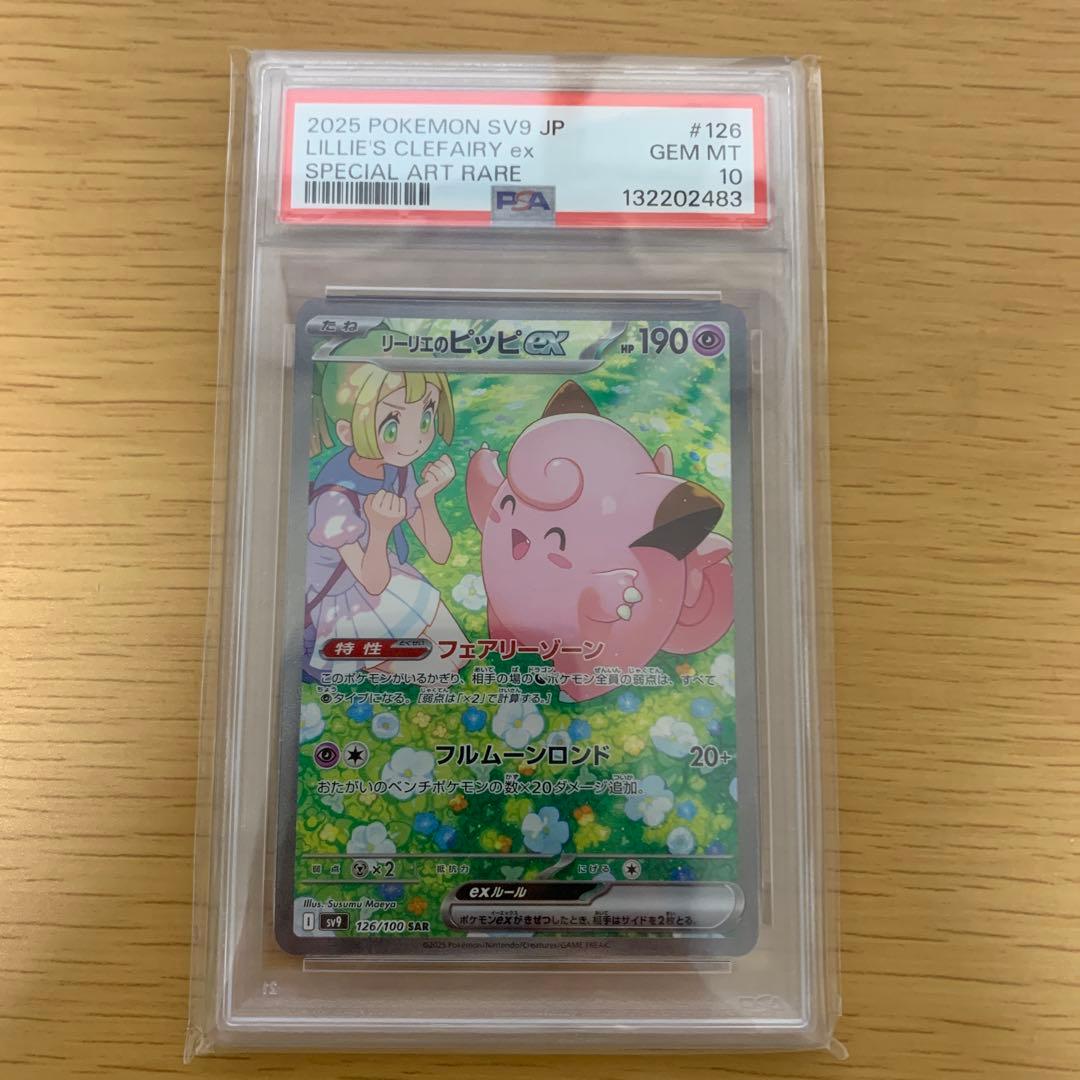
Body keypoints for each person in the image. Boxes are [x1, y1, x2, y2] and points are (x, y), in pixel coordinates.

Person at [305, 362, 466, 680]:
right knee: (440, 673)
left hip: (383, 573)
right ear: (347, 433)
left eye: (425, 418)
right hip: (344, 596)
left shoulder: (398, 468)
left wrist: (427, 498)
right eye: (392, 427)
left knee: (459, 654)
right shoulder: (335, 499)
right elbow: (372, 582)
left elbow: (439, 552)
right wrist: (379, 530)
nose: (414, 442)